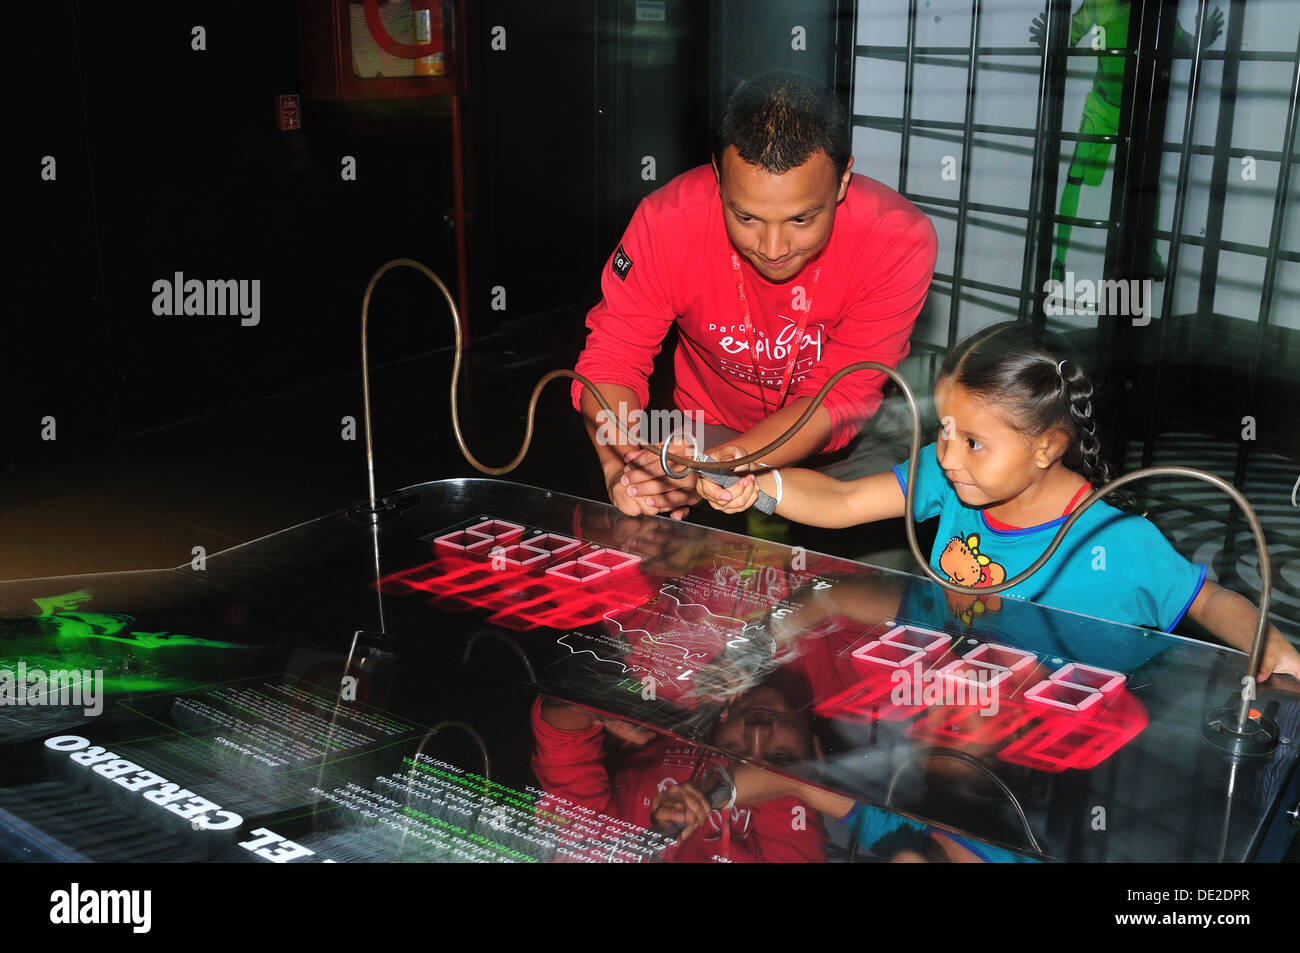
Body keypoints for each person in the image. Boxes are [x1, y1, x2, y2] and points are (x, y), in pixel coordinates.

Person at [696, 321, 1300, 681]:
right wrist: (758, 481)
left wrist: (1267, 642)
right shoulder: (952, 477)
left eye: (975, 441)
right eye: (945, 430)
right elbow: (842, 498)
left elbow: (1211, 600)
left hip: (1060, 740)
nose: (949, 454)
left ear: (1046, 448)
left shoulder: (1115, 543)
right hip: (957, 698)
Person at [572, 70, 938, 520]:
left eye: (802, 219)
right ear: (718, 179)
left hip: (842, 450)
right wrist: (625, 467)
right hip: (705, 433)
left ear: (843, 181)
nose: (772, 248)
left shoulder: (897, 240)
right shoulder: (667, 222)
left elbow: (839, 397)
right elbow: (612, 360)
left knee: (856, 580)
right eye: (746, 217)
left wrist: (726, 465)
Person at [1029, 0, 1223, 281]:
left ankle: (1150, 255)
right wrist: (1049, 40)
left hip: (1139, 113)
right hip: (1101, 106)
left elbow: (1181, 41)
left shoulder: (1152, 7)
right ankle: (1057, 261)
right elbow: (1067, 38)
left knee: (1147, 182)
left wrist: (1201, 41)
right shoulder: (1097, 3)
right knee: (1076, 176)